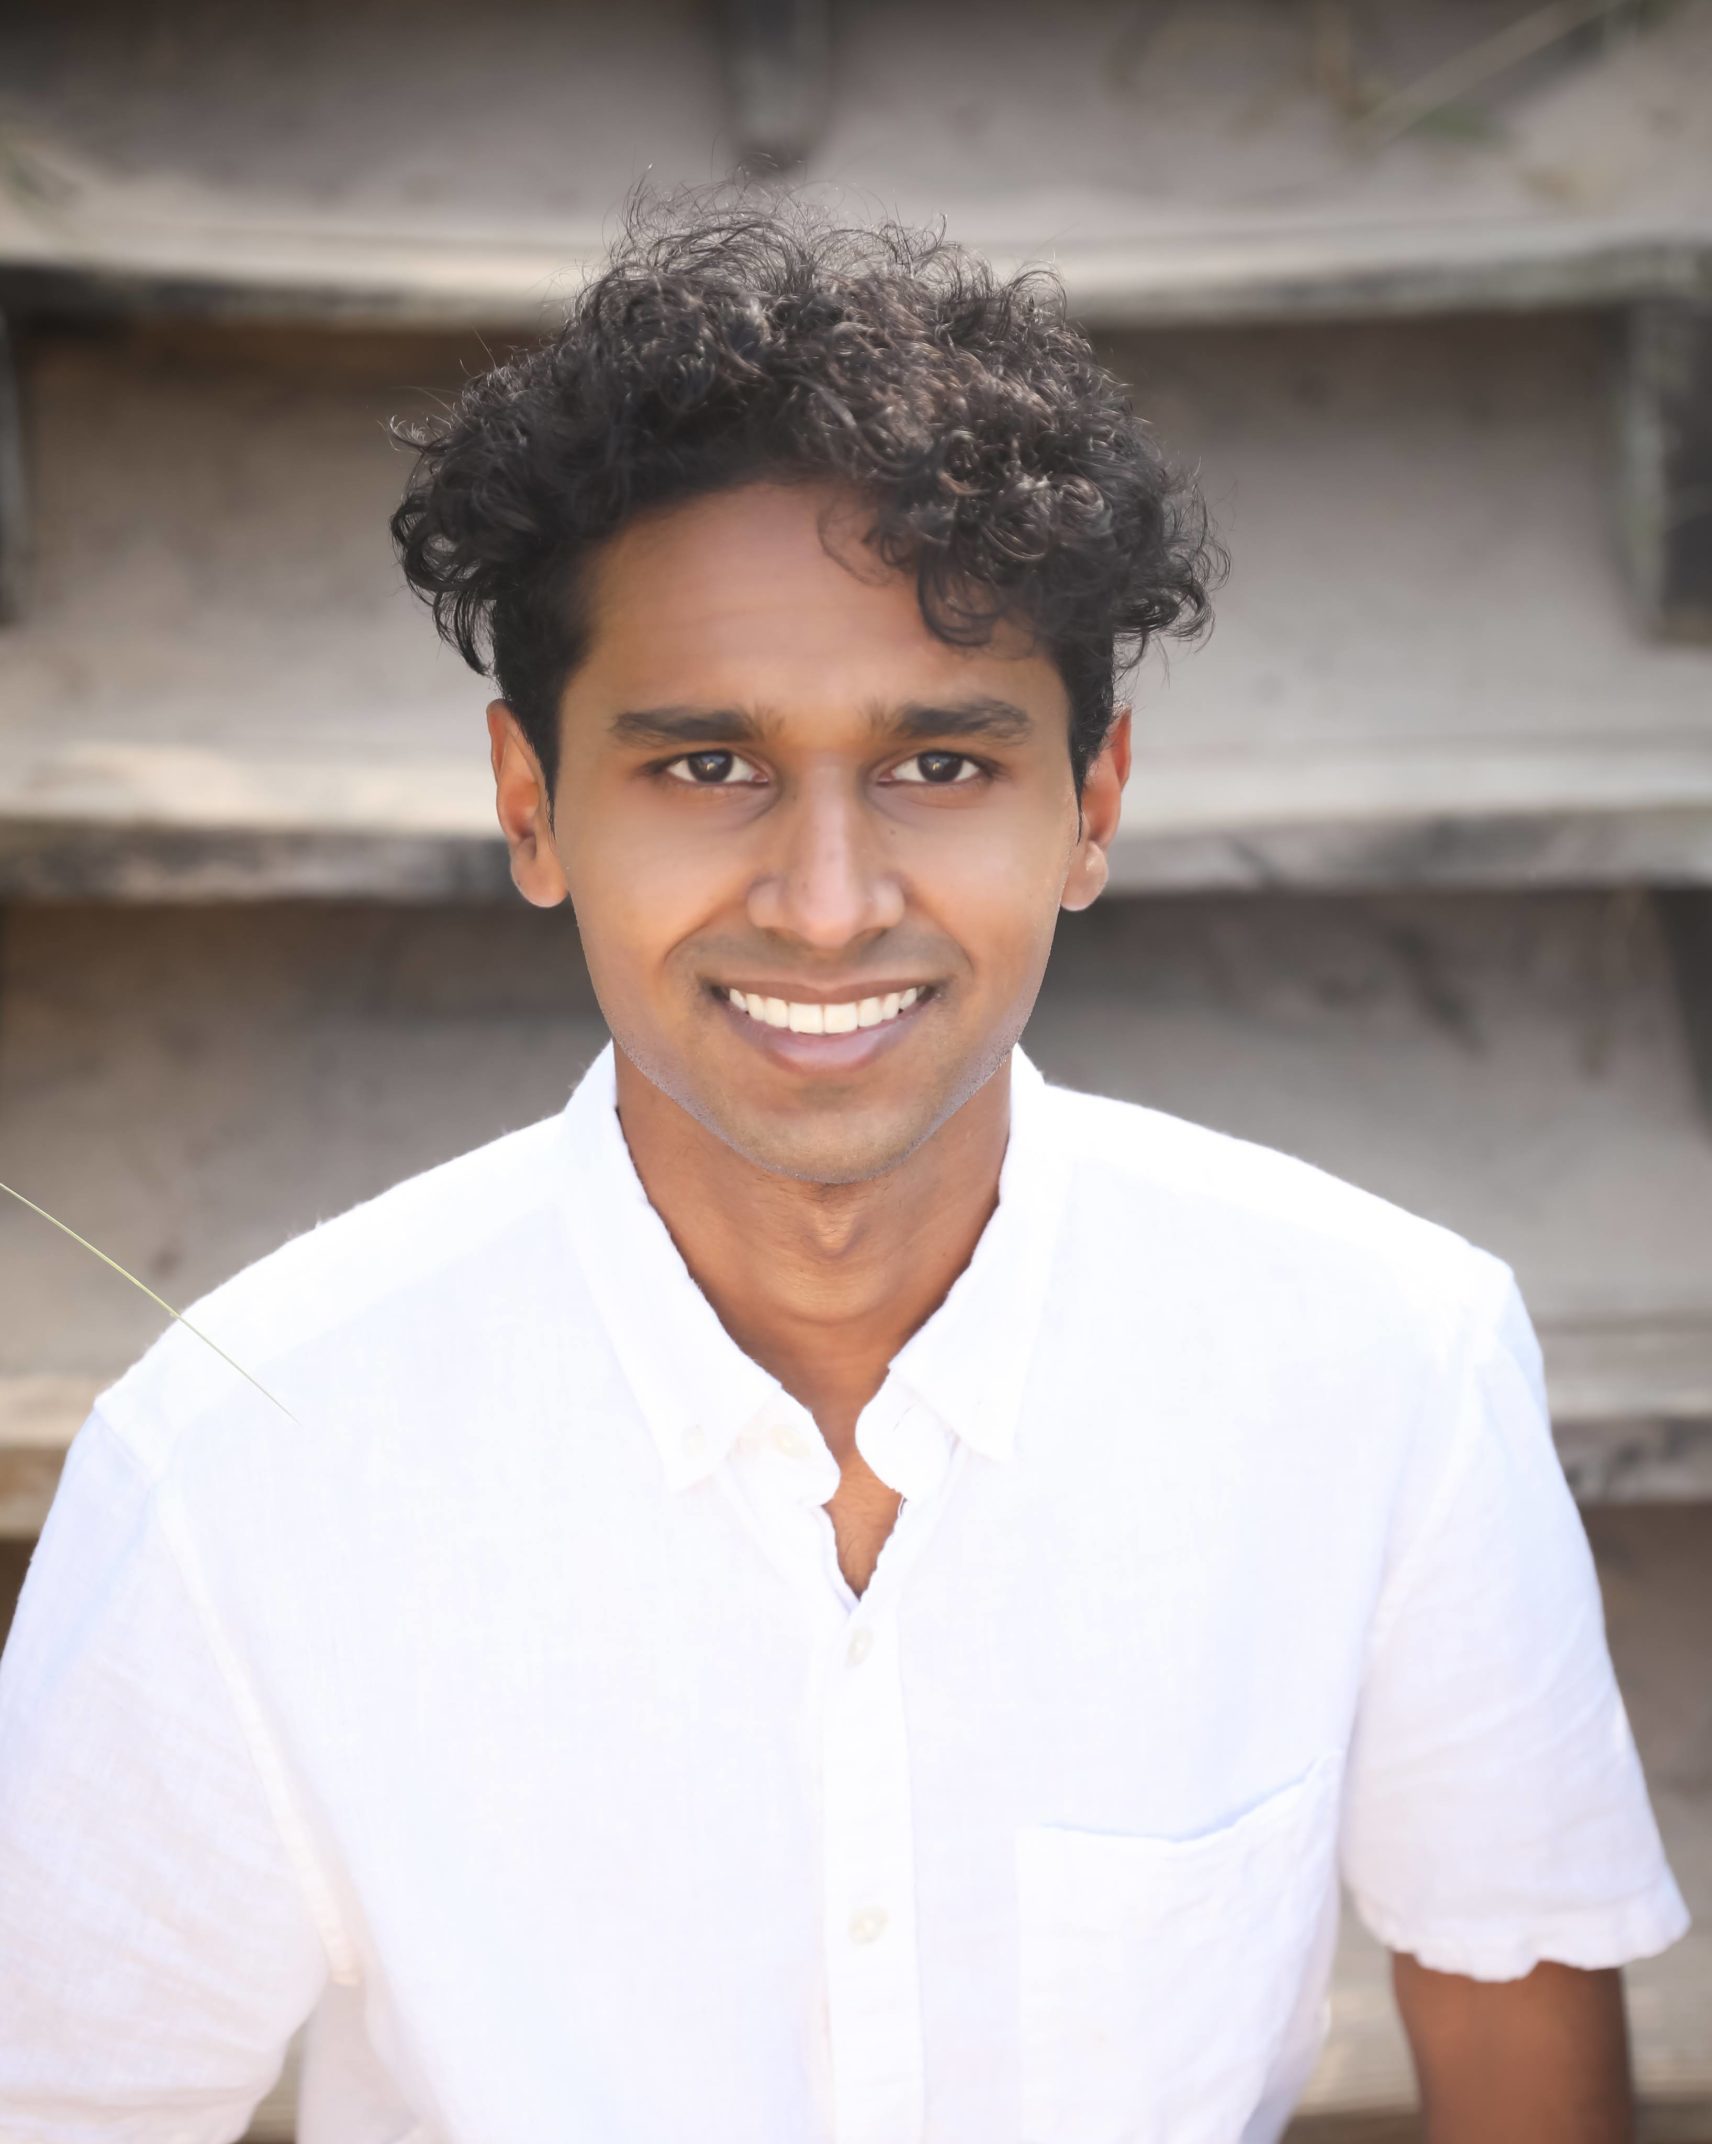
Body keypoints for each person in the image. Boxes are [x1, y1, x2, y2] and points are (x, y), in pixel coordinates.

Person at [0, 185, 1688, 2144]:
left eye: (941, 763)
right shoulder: (237, 1459)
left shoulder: (1382, 1359)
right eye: (705, 764)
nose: (823, 901)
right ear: (529, 805)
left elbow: (1522, 2046)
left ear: (1092, 808)